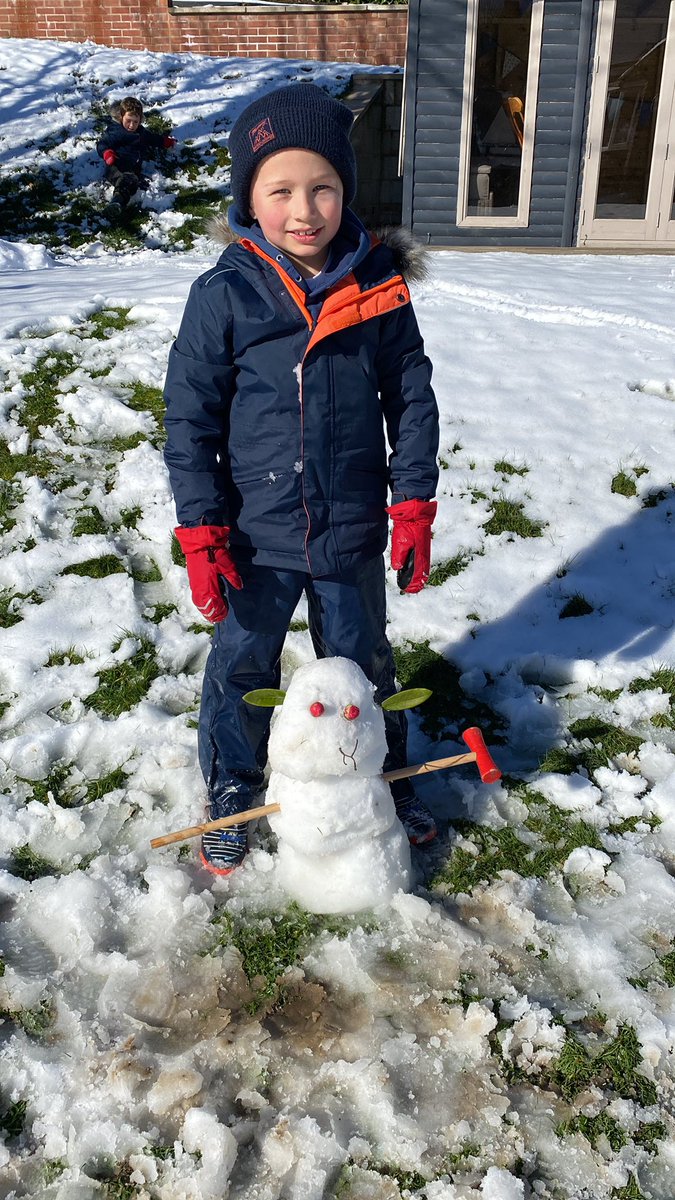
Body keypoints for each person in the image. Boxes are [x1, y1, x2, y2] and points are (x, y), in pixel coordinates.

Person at [163, 83, 440, 877]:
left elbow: (410, 397)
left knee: (363, 664)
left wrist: (413, 501)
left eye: (321, 186)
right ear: (249, 195)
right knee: (242, 663)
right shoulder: (224, 295)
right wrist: (202, 531)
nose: (304, 209)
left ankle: (380, 778)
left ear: (345, 190)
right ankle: (233, 787)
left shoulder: (377, 287)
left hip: (350, 521)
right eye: (279, 188)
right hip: (256, 531)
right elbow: (190, 420)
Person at [96, 96, 176, 211]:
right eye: (128, 121)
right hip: (115, 164)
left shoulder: (141, 132)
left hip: (132, 168)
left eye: (135, 122)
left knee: (131, 181)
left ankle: (118, 203)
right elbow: (102, 144)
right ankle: (116, 202)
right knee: (123, 181)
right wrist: (107, 153)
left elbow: (152, 138)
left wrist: (165, 141)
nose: (132, 125)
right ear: (121, 116)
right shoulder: (116, 131)